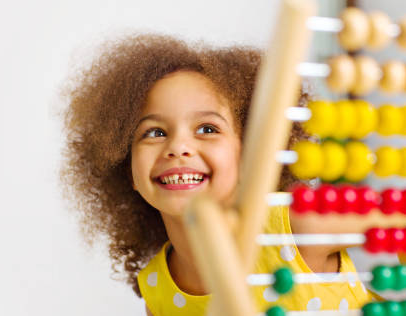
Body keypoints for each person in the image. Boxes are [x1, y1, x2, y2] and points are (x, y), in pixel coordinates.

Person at [60, 33, 375, 316]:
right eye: (154, 132)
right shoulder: (158, 288)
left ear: (251, 152)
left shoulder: (295, 227)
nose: (178, 147)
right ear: (126, 169)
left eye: (207, 129)